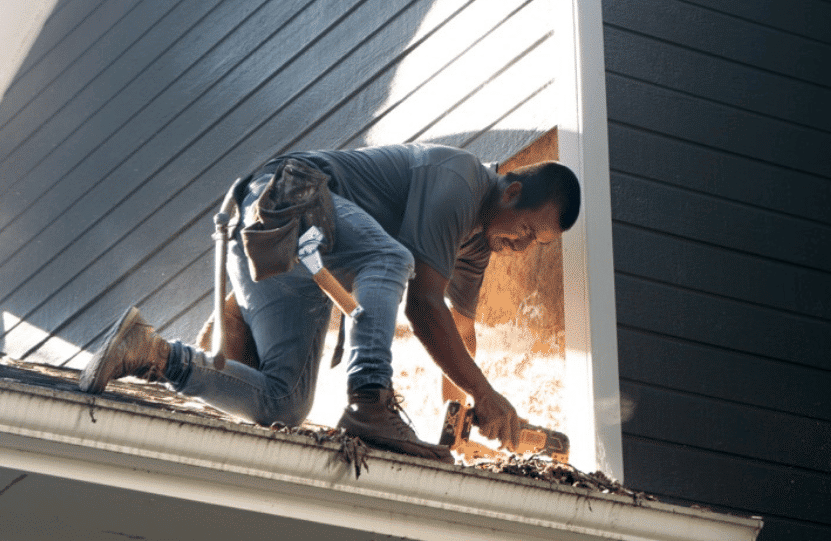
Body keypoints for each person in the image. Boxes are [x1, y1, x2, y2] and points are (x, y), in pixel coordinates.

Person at [77, 143, 581, 462]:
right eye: (527, 231)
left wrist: (462, 424)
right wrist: (487, 394)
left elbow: (459, 335)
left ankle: (154, 353)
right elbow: (423, 305)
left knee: (284, 405)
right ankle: (368, 400)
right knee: (391, 260)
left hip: (298, 262)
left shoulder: (476, 245)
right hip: (286, 202)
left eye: (533, 245)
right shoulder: (460, 180)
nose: (520, 246)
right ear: (512, 192)